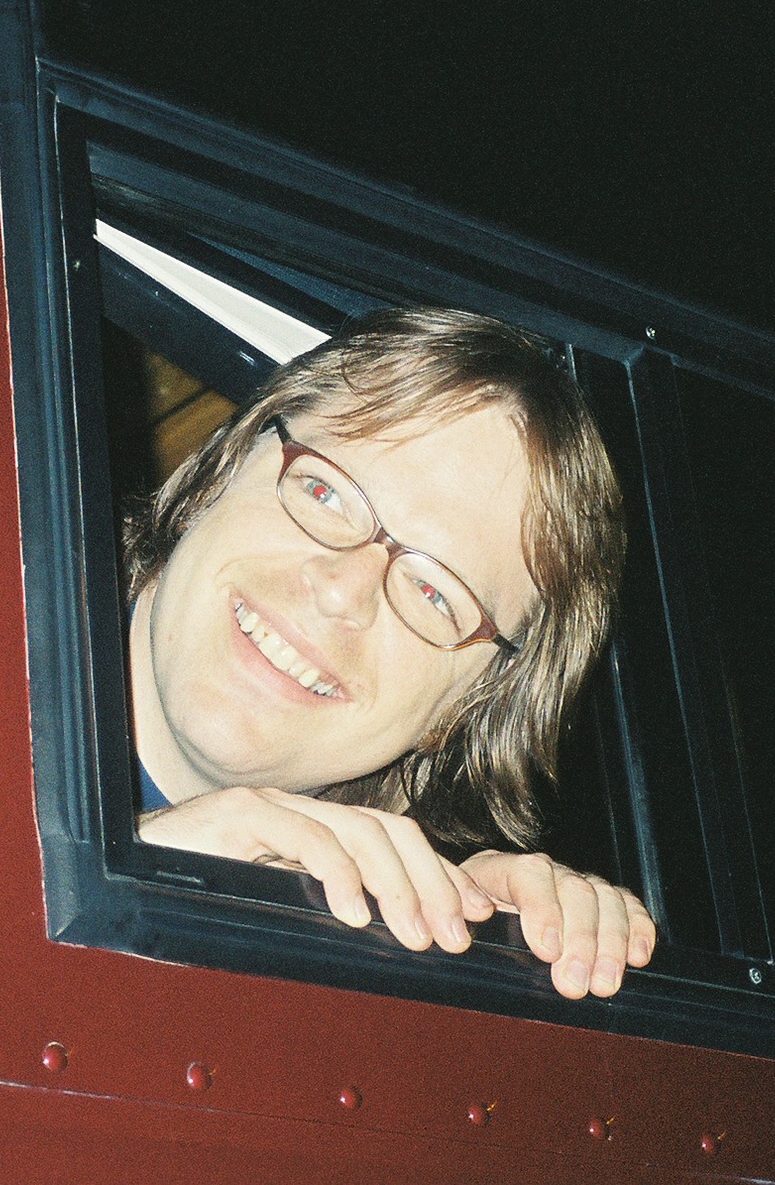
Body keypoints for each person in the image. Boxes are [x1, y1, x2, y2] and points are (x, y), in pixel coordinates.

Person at [125, 306, 653, 999]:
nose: (343, 591)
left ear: (462, 714)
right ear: (217, 471)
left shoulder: (338, 945)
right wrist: (137, 863)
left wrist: (468, 956)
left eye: (435, 594)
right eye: (325, 491)